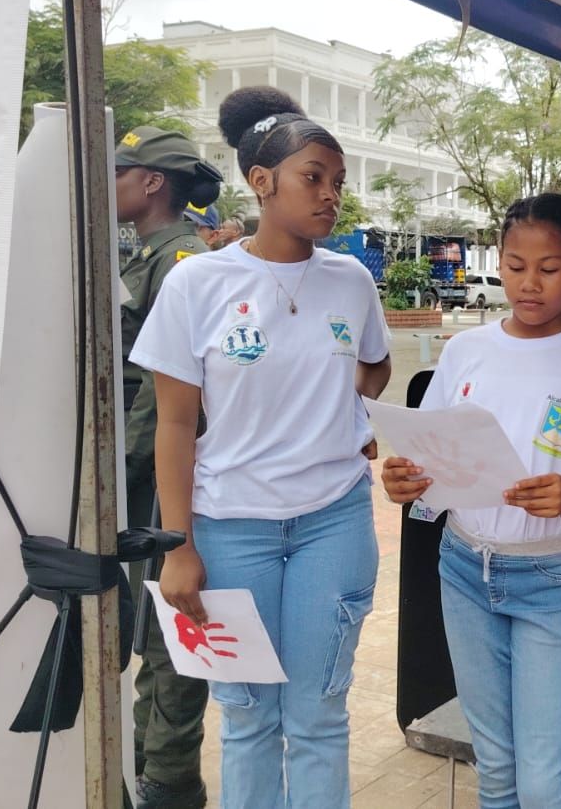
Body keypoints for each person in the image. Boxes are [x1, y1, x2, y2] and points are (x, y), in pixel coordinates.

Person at [130, 85, 392, 809]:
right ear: (260, 180)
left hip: (332, 520)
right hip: (229, 525)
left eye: (337, 182)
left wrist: (349, 411)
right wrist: (179, 545)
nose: (330, 195)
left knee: (316, 716)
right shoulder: (196, 282)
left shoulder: (350, 281)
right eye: (314, 177)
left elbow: (374, 365)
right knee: (247, 716)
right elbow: (176, 425)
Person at [382, 193, 561, 808]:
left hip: (554, 577)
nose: (528, 283)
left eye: (548, 269)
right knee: (494, 768)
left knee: (547, 781)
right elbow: (430, 453)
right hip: (465, 569)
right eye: (514, 265)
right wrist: (405, 481)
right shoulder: (469, 351)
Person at [114, 125, 222, 809]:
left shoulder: (180, 259)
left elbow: (165, 392)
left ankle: (170, 780)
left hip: (159, 471)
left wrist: (120, 468)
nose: (113, 181)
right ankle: (144, 760)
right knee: (149, 625)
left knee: (170, 629)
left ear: (153, 181)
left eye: (122, 170)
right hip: (142, 464)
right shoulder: (148, 253)